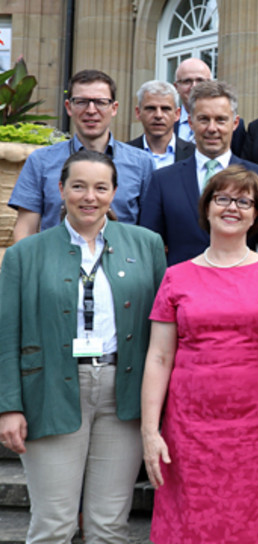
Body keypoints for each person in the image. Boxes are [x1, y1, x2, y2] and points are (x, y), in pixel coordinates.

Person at [0, 150, 167, 543]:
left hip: (123, 393)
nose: (89, 197)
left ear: (114, 192)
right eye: (78, 186)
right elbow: (6, 333)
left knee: (109, 525)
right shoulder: (25, 253)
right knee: (52, 523)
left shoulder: (146, 245)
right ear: (60, 190)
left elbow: (163, 332)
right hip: (50, 391)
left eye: (100, 187)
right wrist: (8, 406)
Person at [141, 164, 258, 544]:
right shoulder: (176, 276)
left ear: (256, 215)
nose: (232, 207)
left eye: (244, 201)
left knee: (256, 530)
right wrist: (151, 431)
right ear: (207, 208)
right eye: (223, 198)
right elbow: (159, 358)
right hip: (189, 433)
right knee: (191, 529)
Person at [140, 80, 258, 266]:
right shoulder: (163, 180)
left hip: (240, 289)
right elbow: (148, 249)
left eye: (220, 120)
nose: (212, 128)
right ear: (191, 123)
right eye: (204, 119)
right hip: (182, 290)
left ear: (235, 123)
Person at [9, 69, 154, 242]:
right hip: (56, 265)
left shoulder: (142, 163)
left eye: (100, 102)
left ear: (114, 108)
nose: (91, 110)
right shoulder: (41, 161)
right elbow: (26, 228)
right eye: (81, 102)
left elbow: (149, 232)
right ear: (69, 107)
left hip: (122, 265)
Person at [173, 58, 246, 154]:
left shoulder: (235, 125)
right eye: (187, 81)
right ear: (176, 87)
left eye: (200, 80)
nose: (194, 86)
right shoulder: (168, 122)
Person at [128, 80, 195, 169]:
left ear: (177, 114)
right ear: (138, 112)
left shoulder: (195, 154)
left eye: (165, 109)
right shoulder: (122, 154)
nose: (158, 115)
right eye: (151, 108)